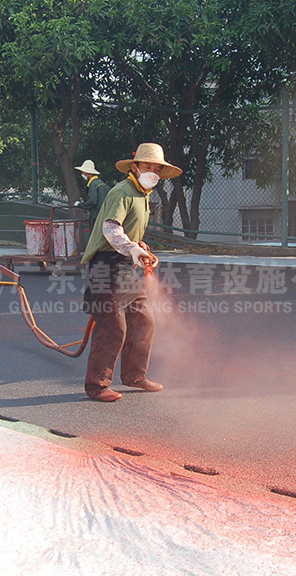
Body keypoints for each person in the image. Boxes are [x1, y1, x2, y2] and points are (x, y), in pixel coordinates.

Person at [81, 143, 182, 402]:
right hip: (105, 265)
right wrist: (132, 248)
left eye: (157, 168)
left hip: (126, 266)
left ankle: (134, 375)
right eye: (148, 166)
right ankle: (97, 385)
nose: (153, 172)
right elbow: (111, 229)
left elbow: (129, 230)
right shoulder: (122, 192)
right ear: (135, 167)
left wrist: (140, 246)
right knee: (113, 326)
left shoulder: (142, 195)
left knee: (144, 319)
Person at [73, 160, 109, 228]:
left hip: (97, 216)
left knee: (95, 237)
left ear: (87, 173)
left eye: (83, 172)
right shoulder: (101, 183)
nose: (82, 174)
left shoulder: (93, 184)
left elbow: (92, 201)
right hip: (105, 215)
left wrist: (80, 204)